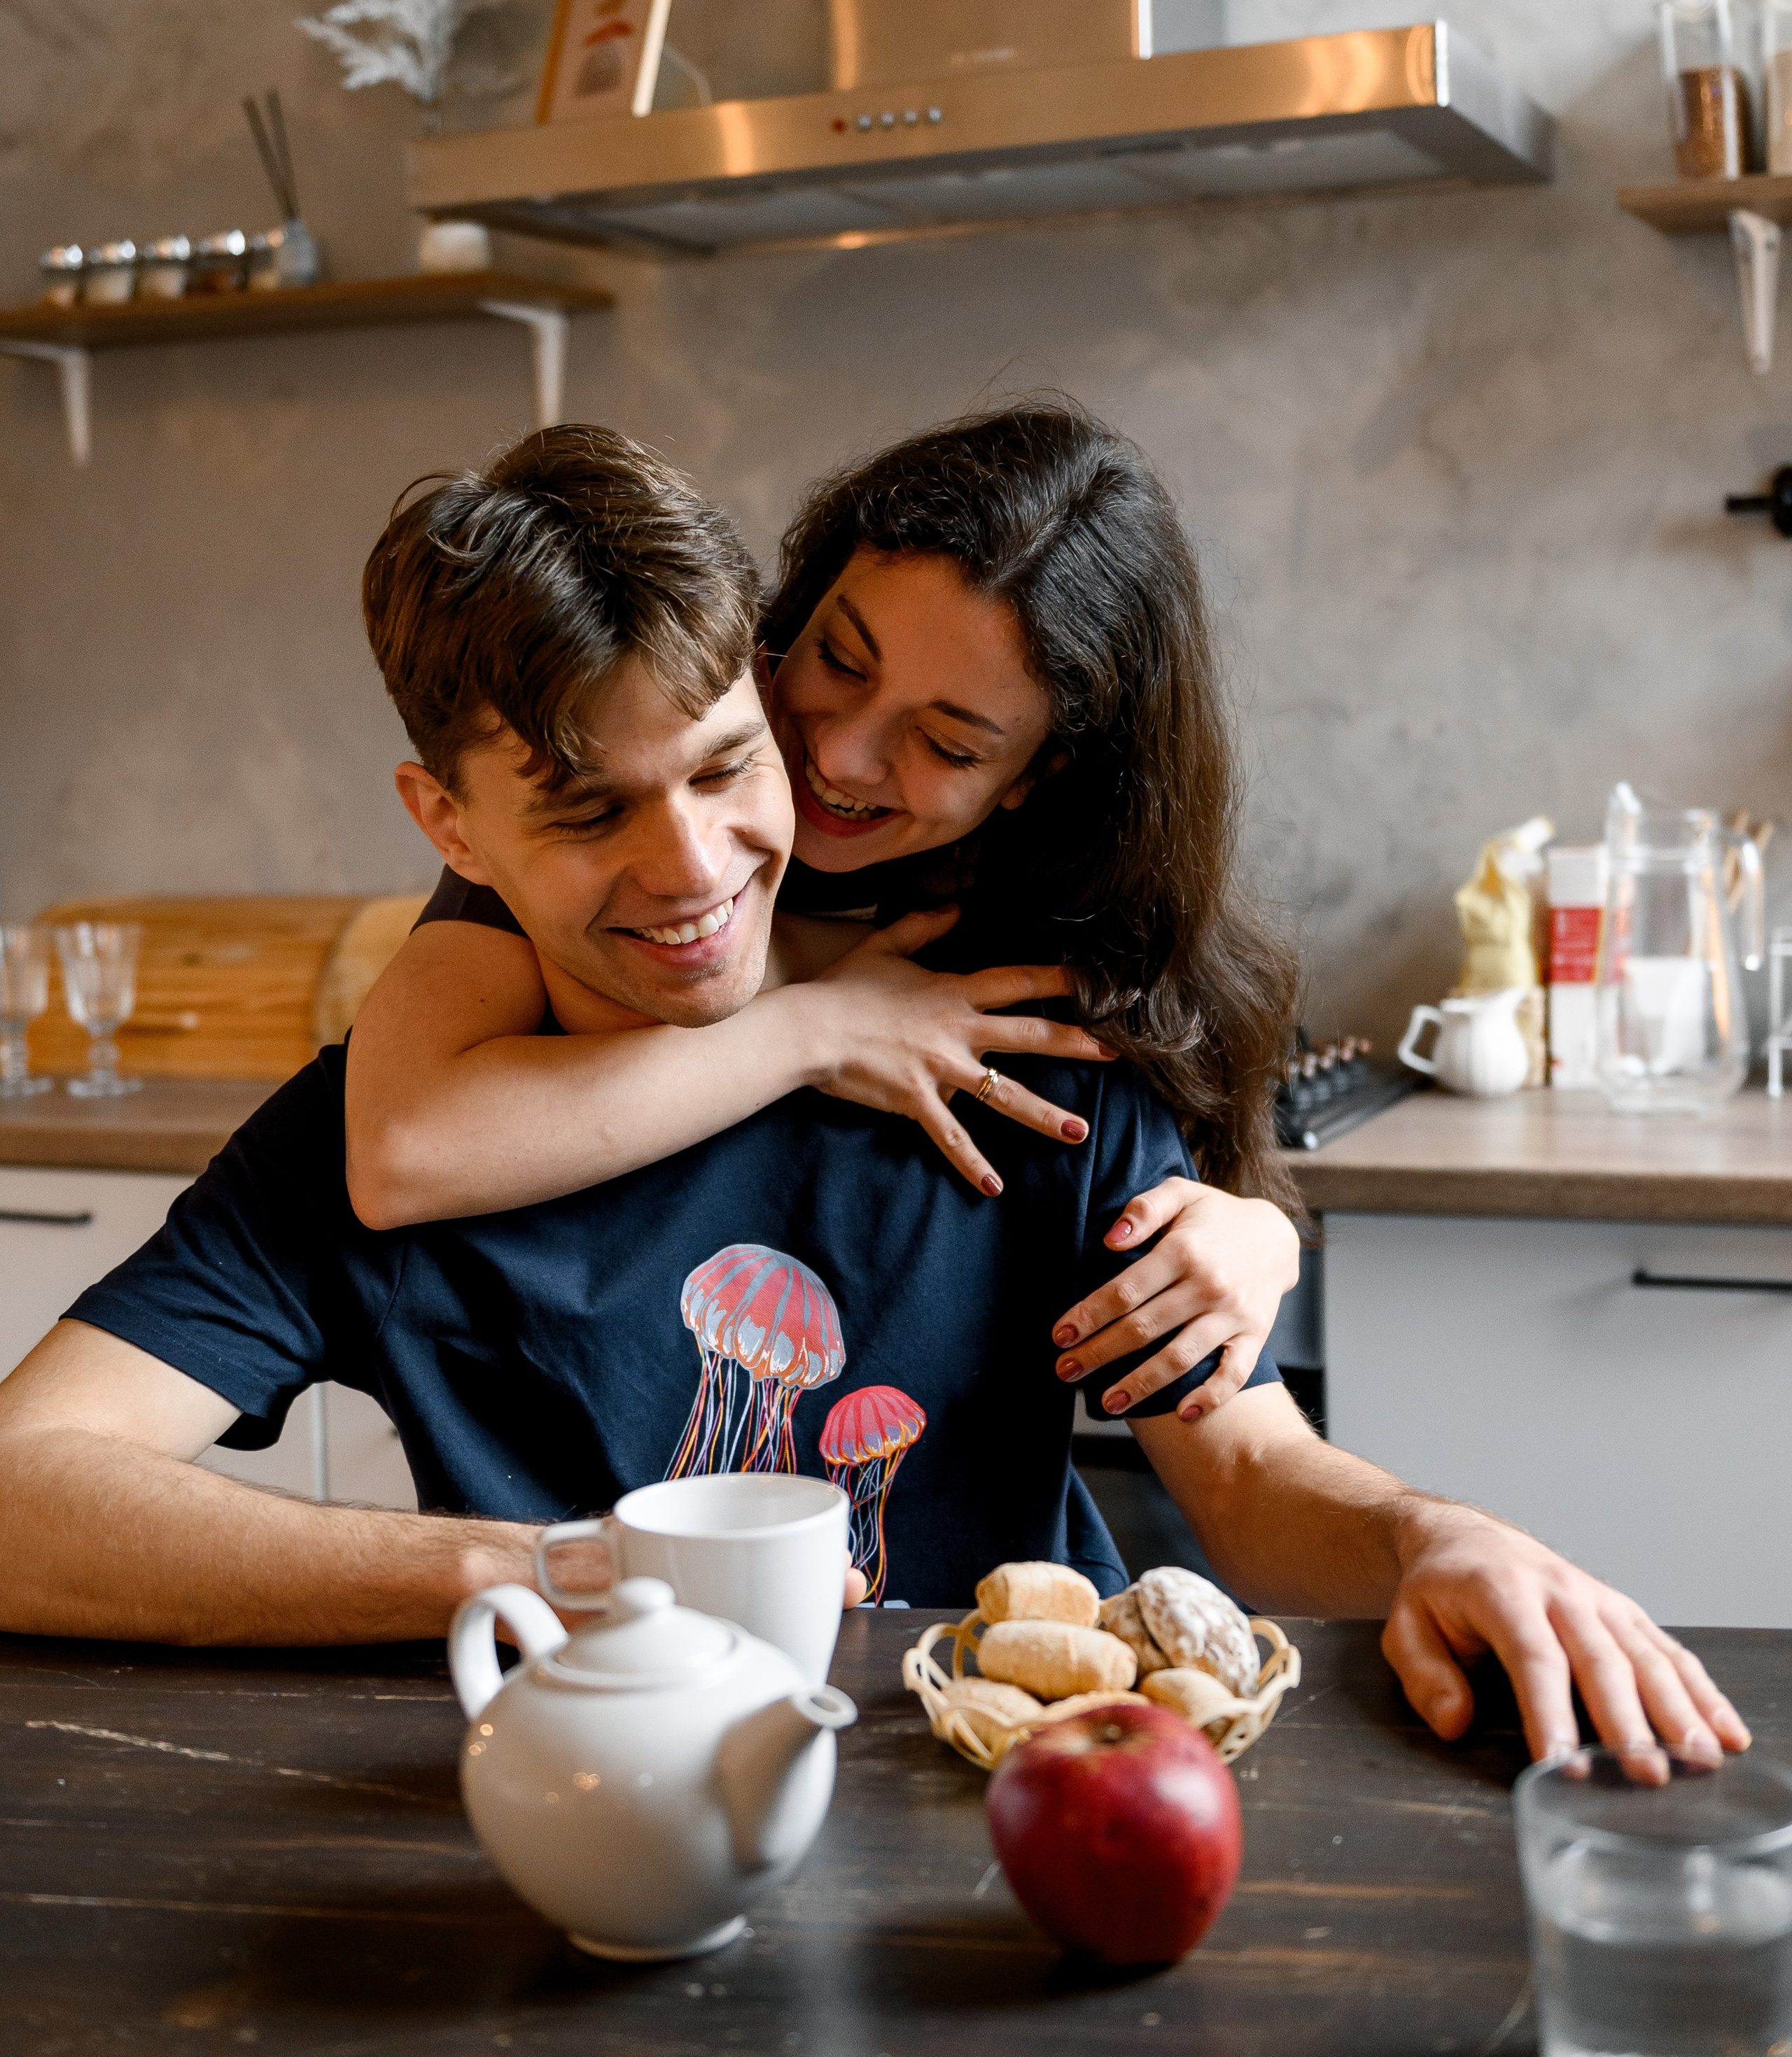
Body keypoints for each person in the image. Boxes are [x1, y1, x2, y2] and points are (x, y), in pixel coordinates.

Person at [0, 423, 1746, 1780]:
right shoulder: (401, 1115)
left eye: (718, 765)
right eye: (591, 813)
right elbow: (23, 1491)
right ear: (452, 831)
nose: (697, 864)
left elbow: (1251, 1477)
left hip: (1001, 1808)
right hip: (588, 1818)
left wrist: (1434, 1529)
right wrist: (520, 1568)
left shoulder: (1009, 1044)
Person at [344, 403, 1306, 1426]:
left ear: (1039, 774)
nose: (841, 757)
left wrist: (1260, 1239)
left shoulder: (1067, 938)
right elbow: (409, 1149)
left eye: (949, 745)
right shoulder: (615, 852)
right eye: (841, 662)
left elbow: (1209, 1309)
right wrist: (821, 1030)